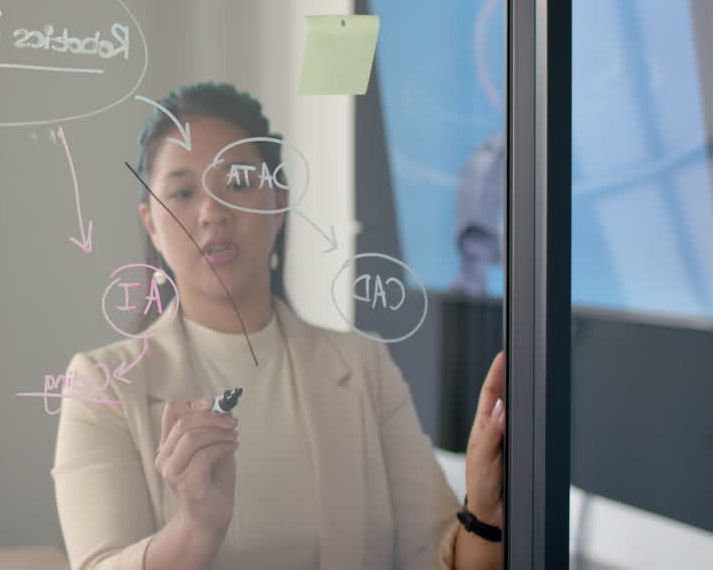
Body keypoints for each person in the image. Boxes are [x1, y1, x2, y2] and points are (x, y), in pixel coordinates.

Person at [52, 83, 505, 570]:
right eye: (183, 192)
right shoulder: (102, 385)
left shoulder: (363, 366)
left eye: (239, 181)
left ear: (279, 199)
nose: (211, 212)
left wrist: (482, 505)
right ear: (152, 224)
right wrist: (196, 529)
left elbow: (443, 559)